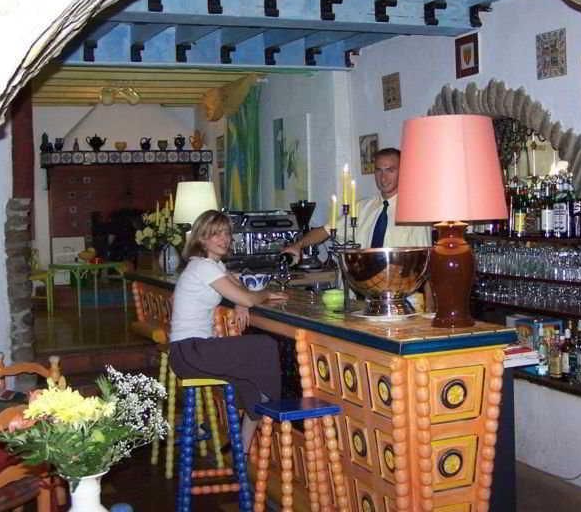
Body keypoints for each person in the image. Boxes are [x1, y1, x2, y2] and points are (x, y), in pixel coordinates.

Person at [168, 209, 288, 453]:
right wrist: (262, 295)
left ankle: (242, 447)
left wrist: (240, 302)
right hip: (190, 350)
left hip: (189, 351)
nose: (224, 239)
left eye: (226, 233)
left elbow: (239, 288)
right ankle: (272, 405)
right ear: (202, 239)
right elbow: (250, 296)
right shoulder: (204, 267)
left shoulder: (213, 264)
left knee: (249, 381)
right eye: (216, 234)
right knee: (265, 346)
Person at [283, 147, 433, 308]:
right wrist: (298, 245)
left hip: (400, 298)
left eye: (390, 170)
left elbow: (426, 265)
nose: (383, 177)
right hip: (364, 297)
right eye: (379, 170)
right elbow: (326, 230)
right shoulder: (362, 208)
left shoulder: (413, 212)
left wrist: (431, 305)